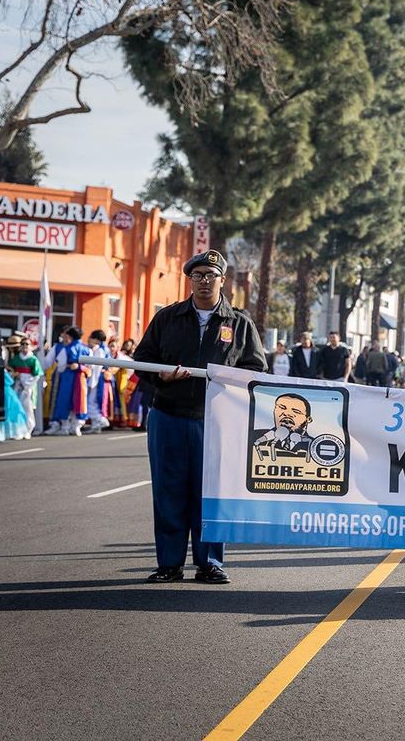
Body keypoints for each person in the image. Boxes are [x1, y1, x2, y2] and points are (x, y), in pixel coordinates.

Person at [133, 249, 267, 585]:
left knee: (211, 492)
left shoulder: (239, 322)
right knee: (169, 491)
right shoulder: (168, 318)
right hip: (169, 415)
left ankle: (209, 563)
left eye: (211, 275)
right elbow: (142, 359)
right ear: (189, 280)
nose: (204, 281)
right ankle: (169, 564)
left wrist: (225, 380)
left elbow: (256, 369)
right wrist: (161, 377)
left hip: (216, 421)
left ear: (223, 281)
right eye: (198, 276)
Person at [43, 326, 88, 436]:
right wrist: (81, 368)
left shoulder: (66, 348)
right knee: (78, 401)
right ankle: (75, 426)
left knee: (64, 400)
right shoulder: (86, 348)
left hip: (66, 378)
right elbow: (90, 366)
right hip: (81, 378)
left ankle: (65, 426)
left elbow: (60, 365)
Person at [8, 336, 43, 433]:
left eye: (26, 344)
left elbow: (37, 375)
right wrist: (14, 375)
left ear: (30, 346)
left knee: (28, 408)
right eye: (22, 344)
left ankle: (28, 429)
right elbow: (10, 370)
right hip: (17, 386)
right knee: (17, 407)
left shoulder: (33, 359)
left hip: (29, 387)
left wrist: (27, 385)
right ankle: (18, 429)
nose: (24, 346)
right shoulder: (16, 358)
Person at [82, 329, 113, 433]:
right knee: (94, 403)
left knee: (91, 402)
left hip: (97, 380)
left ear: (96, 339)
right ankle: (96, 425)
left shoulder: (100, 350)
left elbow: (97, 368)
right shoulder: (103, 349)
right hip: (100, 379)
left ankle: (101, 420)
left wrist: (92, 382)